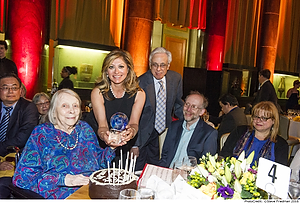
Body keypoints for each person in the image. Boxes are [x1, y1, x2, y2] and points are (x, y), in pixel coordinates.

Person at [12, 89, 116, 199]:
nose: (72, 110)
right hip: (61, 194)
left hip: (91, 190)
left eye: (75, 106)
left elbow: (100, 163)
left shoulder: (85, 129)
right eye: (65, 106)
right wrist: (65, 179)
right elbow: (22, 179)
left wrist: (112, 147)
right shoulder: (41, 134)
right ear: (54, 111)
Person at [87, 49, 145, 166]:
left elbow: (134, 124)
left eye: (121, 66)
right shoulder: (98, 92)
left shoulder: (139, 94)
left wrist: (131, 132)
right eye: (111, 67)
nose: (116, 72)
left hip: (123, 144)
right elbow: (102, 126)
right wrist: (105, 136)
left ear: (128, 69)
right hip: (98, 145)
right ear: (106, 71)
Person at [133, 47, 184, 171]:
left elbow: (178, 105)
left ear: (168, 65)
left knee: (161, 171)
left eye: (162, 65)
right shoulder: (140, 82)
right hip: (144, 136)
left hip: (166, 132)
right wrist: (134, 144)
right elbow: (134, 115)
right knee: (139, 171)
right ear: (150, 65)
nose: (158, 69)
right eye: (155, 65)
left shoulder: (175, 79)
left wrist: (191, 122)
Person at [0, 73, 39, 198]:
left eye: (14, 87)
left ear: (20, 90)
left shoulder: (29, 107)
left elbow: (22, 138)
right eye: (5, 87)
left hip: (15, 160)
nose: (10, 91)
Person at [158, 91, 218, 168]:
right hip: (169, 172)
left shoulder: (209, 133)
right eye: (187, 104)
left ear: (201, 112)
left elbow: (206, 165)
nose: (188, 109)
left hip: (189, 176)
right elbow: (165, 156)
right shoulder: (174, 126)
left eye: (193, 107)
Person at [220, 101, 288, 167]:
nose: (258, 120)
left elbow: (280, 171)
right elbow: (224, 154)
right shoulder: (239, 131)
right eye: (256, 116)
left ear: (273, 121)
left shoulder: (281, 145)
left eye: (264, 118)